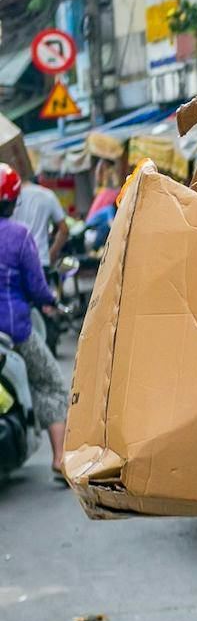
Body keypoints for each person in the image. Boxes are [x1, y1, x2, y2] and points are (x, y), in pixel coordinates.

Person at [0, 163, 68, 481]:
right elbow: (38, 287)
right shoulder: (18, 235)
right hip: (15, 331)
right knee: (52, 384)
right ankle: (59, 459)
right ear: (13, 201)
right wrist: (51, 302)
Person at [13, 177, 67, 270]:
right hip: (40, 260)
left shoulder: (9, 197)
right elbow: (64, 230)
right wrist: (50, 256)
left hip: (13, 262)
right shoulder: (47, 195)